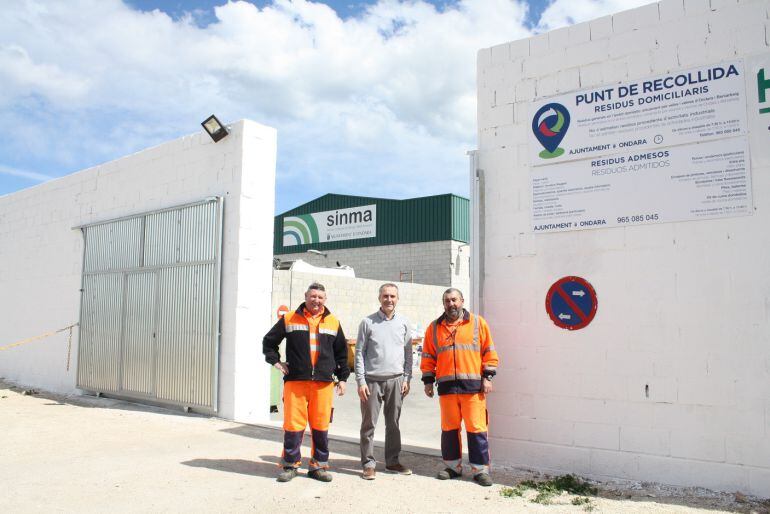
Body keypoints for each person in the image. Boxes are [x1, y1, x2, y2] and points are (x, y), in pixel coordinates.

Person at [263, 282, 349, 483]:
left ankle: (318, 466)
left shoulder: (333, 322)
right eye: (313, 296)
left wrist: (343, 378)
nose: (316, 300)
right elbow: (269, 341)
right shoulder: (289, 318)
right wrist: (276, 361)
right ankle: (290, 465)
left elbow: (342, 354)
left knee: (320, 426)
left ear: (325, 299)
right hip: (296, 381)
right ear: (306, 296)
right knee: (293, 425)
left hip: (323, 384)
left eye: (320, 297)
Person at [420, 288, 499, 487]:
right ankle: (452, 467)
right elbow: (428, 356)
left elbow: (489, 351)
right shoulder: (434, 328)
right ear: (443, 303)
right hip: (447, 389)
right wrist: (428, 381)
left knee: (477, 429)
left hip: (473, 388)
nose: (451, 304)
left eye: (454, 300)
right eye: (447, 301)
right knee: (449, 429)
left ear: (462, 301)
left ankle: (480, 470)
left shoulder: (477, 323)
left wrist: (488, 377)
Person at [355, 283, 413, 480]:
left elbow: (408, 353)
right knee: (368, 424)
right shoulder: (367, 322)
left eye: (393, 296)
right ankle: (368, 464)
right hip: (372, 381)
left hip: (396, 381)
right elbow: (359, 353)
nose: (389, 299)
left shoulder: (404, 323)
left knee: (393, 424)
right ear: (379, 298)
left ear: (398, 299)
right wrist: (361, 381)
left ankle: (392, 461)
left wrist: (407, 378)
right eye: (385, 296)